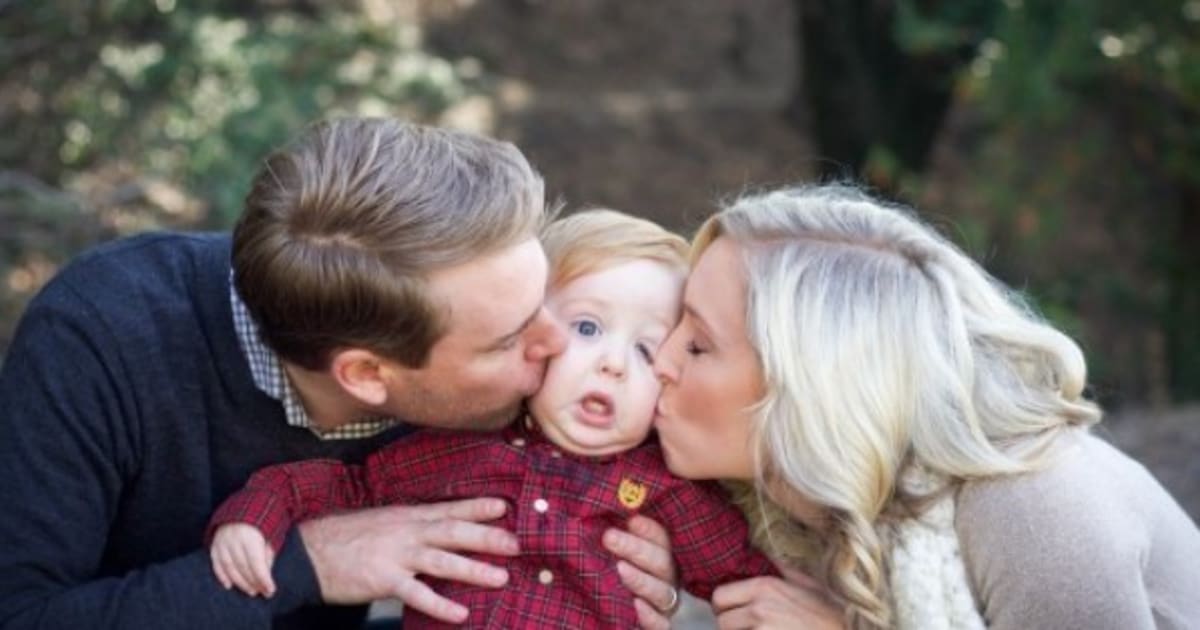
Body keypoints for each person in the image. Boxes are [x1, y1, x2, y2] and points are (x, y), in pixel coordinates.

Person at [0, 118, 675, 629]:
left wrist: (648, 557)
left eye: (547, 303)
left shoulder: (483, 369)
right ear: (367, 376)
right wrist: (308, 564)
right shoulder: (102, 335)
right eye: (510, 338)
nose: (556, 345)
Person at [650, 183, 1200, 629]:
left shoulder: (1033, 507)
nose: (660, 362)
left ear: (812, 389)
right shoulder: (797, 505)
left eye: (698, 345)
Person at [206, 209, 776, 628]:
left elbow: (743, 578)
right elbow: (345, 485)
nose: (612, 364)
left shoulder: (665, 489)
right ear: (534, 334)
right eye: (586, 328)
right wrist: (256, 516)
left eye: (647, 351)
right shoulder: (459, 449)